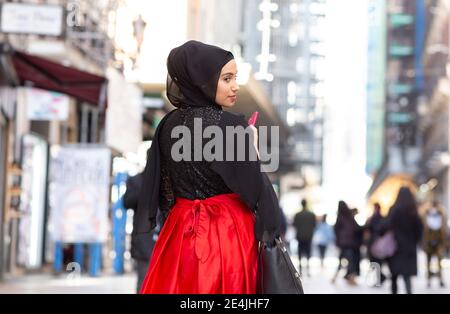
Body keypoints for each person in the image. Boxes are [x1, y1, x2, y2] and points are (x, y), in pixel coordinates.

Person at [136, 41, 281, 294]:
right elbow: (256, 191)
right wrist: (253, 147)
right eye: (226, 78)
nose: (235, 86)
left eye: (235, 78)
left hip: (179, 233)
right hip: (228, 233)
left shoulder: (166, 126)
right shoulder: (230, 126)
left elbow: (164, 193)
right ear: (202, 79)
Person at [386, 187, 423, 294]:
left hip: (395, 247)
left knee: (394, 275)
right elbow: (419, 229)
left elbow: (387, 225)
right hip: (409, 247)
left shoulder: (394, 210)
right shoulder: (413, 211)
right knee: (407, 276)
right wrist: (414, 241)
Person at [123, 173, 156, 293]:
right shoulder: (136, 180)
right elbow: (126, 202)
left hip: (164, 239)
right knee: (144, 280)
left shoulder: (167, 179)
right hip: (143, 241)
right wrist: (146, 189)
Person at [333, 201, 362, 285]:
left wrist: (338, 242)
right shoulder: (349, 216)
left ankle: (340, 277)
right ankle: (350, 278)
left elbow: (336, 230)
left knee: (344, 260)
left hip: (344, 243)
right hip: (350, 243)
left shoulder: (340, 217)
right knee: (349, 260)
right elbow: (356, 228)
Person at [421, 201, 448, 288]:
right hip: (429, 241)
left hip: (439, 242)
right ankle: (428, 279)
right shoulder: (426, 215)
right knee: (428, 262)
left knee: (439, 262)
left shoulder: (441, 215)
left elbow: (444, 230)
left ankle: (440, 279)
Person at [365, 203, 387, 286]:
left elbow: (369, 228)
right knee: (376, 263)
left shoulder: (374, 218)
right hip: (378, 244)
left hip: (375, 244)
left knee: (375, 263)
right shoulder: (381, 218)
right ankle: (380, 279)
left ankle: (380, 279)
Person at [293, 199, 317, 276]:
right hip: (308, 236)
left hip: (300, 236)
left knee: (300, 253)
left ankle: (300, 270)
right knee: (308, 253)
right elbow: (314, 225)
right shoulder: (311, 214)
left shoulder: (297, 215)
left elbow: (295, 225)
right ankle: (308, 269)